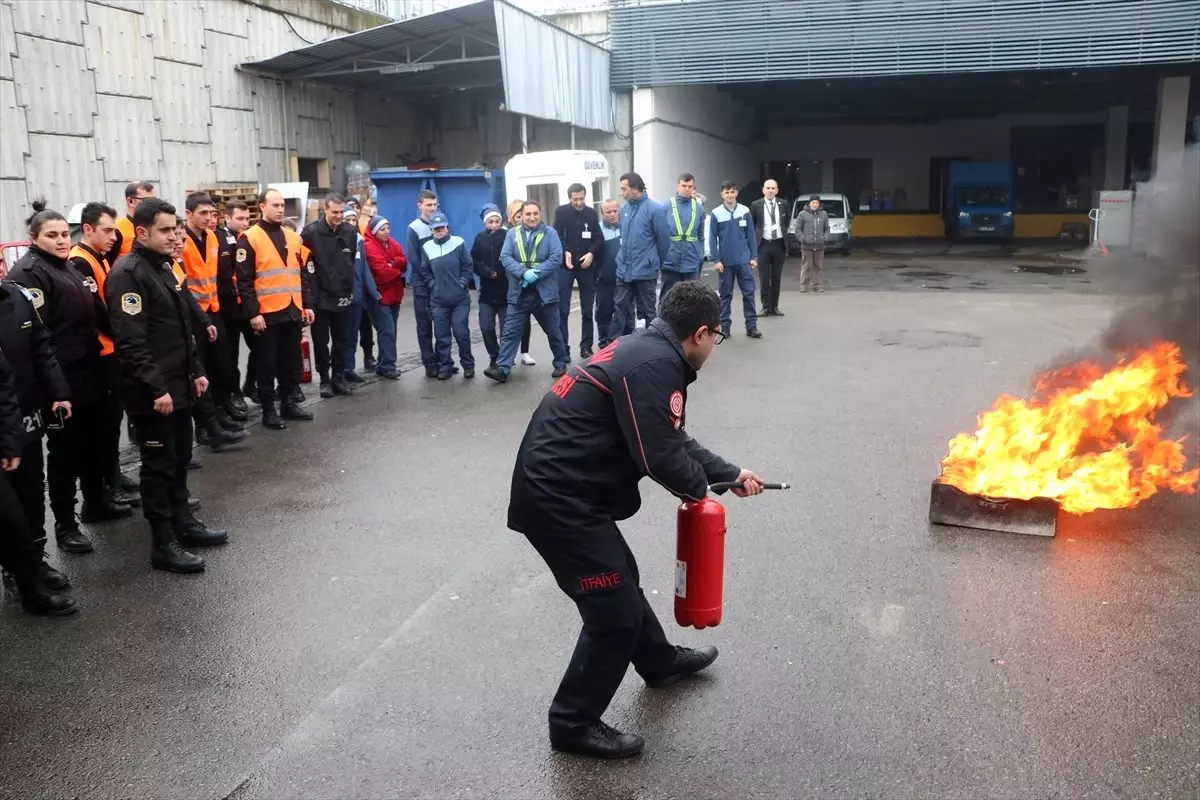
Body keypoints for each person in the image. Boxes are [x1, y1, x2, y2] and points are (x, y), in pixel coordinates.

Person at [509, 280, 765, 758]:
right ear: (703, 333)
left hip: (570, 492)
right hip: (557, 500)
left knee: (621, 578)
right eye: (718, 338)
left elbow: (671, 439)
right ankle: (572, 723)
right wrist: (700, 495)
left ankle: (659, 661)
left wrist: (727, 474)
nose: (715, 346)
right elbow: (658, 456)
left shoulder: (646, 350)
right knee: (613, 615)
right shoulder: (656, 364)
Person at [106, 198, 229, 573]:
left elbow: (179, 327)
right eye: (165, 229)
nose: (174, 235)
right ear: (141, 232)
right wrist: (157, 389)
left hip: (179, 384)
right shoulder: (128, 273)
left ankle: (184, 524)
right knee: (158, 466)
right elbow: (131, 341)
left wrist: (195, 371)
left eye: (175, 228)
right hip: (153, 392)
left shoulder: (164, 267)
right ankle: (164, 543)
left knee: (177, 460)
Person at [9, 200, 132, 555]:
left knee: (93, 444)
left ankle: (96, 501)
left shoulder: (69, 269)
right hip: (59, 381)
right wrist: (55, 388)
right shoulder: (29, 274)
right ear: (34, 238)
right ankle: (65, 525)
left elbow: (94, 317)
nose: (62, 241)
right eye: (52, 235)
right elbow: (40, 337)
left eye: (65, 234)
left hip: (88, 372)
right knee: (64, 454)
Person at [0, 254, 74, 598]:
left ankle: (35, 560)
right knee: (8, 502)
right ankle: (16, 567)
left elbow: (42, 349)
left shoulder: (17, 297)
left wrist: (58, 392)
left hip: (26, 411)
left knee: (32, 489)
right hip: (1, 421)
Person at [68, 201, 139, 508]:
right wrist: (121, 333)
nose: (114, 237)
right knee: (104, 422)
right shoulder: (80, 261)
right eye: (107, 230)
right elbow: (96, 311)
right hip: (101, 351)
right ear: (87, 229)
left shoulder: (99, 258)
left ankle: (113, 473)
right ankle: (105, 482)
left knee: (112, 419)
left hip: (111, 348)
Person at [0, 348, 77, 616]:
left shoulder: (18, 305)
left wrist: (9, 442)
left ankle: (32, 591)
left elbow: (3, 388)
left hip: (15, 429)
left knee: (15, 520)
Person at [234, 189, 315, 429]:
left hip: (291, 309)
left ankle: (289, 403)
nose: (281, 209)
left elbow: (301, 275)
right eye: (275, 205)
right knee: (267, 364)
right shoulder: (250, 238)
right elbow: (244, 280)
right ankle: (269, 410)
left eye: (283, 205)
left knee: (291, 362)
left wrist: (307, 304)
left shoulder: (292, 237)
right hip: (267, 314)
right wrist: (253, 313)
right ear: (261, 207)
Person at [484, 201, 568, 384]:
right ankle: (503, 368)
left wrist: (536, 273)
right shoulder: (512, 234)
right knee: (510, 332)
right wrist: (523, 273)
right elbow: (505, 257)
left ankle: (560, 362)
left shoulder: (550, 233)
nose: (532, 217)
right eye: (528, 214)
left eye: (535, 213)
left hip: (544, 294)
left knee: (553, 330)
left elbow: (556, 258)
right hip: (519, 292)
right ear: (521, 215)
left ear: (540, 214)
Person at [181, 193, 243, 423]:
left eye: (212, 213)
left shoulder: (213, 238)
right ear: (189, 214)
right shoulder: (182, 241)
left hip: (213, 309)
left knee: (222, 363)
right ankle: (208, 421)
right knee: (201, 368)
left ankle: (223, 405)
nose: (209, 218)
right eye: (203, 213)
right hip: (193, 313)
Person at [302, 192, 359, 399]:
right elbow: (304, 265)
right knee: (320, 341)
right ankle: (324, 379)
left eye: (341, 211)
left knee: (341, 340)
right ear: (325, 209)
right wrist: (309, 297)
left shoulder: (350, 232)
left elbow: (350, 259)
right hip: (320, 297)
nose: (338, 215)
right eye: (334, 211)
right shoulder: (311, 232)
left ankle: (338, 377)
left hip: (342, 295)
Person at [611, 172, 671, 340]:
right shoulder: (625, 210)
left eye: (624, 189)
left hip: (645, 270)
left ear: (635, 188)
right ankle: (614, 345)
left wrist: (655, 263)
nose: (621, 193)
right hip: (625, 269)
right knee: (619, 307)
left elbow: (664, 241)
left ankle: (654, 344)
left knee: (648, 312)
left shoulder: (655, 210)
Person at [417, 212, 476, 380]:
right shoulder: (427, 247)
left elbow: (468, 266)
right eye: (436, 229)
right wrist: (433, 286)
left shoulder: (458, 243)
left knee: (461, 333)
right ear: (431, 230)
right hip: (438, 301)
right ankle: (445, 366)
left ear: (447, 227)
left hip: (459, 300)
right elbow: (424, 270)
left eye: (442, 227)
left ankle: (468, 365)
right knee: (442, 336)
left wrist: (462, 283)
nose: (439, 230)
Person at [553, 183, 602, 361]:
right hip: (566, 266)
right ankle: (563, 348)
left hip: (586, 266)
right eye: (575, 199)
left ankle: (586, 346)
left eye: (582, 198)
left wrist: (591, 253)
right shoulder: (561, 212)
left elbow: (598, 238)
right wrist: (564, 250)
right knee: (562, 310)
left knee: (587, 309)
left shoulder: (591, 213)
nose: (579, 202)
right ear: (569, 198)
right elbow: (555, 235)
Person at [707, 181, 762, 339]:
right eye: (726, 192)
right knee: (725, 296)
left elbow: (751, 235)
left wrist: (753, 257)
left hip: (744, 261)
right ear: (722, 194)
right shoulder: (716, 213)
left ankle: (751, 327)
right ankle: (725, 328)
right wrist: (716, 260)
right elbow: (712, 238)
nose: (730, 195)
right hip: (725, 263)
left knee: (749, 294)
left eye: (732, 192)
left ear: (736, 193)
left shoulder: (745, 211)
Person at [215, 200, 252, 414]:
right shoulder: (221, 239)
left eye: (247, 218)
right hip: (228, 306)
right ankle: (234, 393)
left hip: (248, 303)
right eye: (240, 218)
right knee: (231, 353)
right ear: (227, 218)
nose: (244, 223)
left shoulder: (250, 237)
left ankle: (251, 385)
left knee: (260, 348)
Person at [362, 215, 406, 380]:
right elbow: (381, 273)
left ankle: (383, 363)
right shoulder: (369, 246)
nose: (387, 232)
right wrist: (397, 269)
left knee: (390, 330)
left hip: (394, 294)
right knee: (387, 330)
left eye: (388, 228)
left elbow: (404, 260)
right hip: (379, 296)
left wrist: (393, 264)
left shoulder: (392, 243)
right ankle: (388, 365)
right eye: (382, 229)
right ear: (375, 231)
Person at [340, 206, 377, 385]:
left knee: (353, 335)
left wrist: (372, 291)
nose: (352, 224)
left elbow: (364, 270)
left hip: (357, 296)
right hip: (339, 297)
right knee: (342, 336)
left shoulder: (359, 240)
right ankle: (338, 372)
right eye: (348, 220)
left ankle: (349, 368)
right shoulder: (337, 240)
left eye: (354, 220)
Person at [405, 190, 439, 376]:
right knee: (425, 326)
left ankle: (443, 361)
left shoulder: (441, 223)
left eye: (434, 205)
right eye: (429, 205)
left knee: (441, 325)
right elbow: (414, 259)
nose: (432, 208)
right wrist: (430, 280)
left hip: (439, 284)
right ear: (420, 205)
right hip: (423, 285)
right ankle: (429, 364)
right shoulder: (414, 228)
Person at [659, 173, 705, 308]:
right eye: (683, 186)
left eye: (690, 186)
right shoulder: (666, 206)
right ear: (677, 186)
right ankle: (663, 326)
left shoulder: (699, 208)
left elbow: (700, 235)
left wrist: (699, 257)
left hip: (691, 262)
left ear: (693, 188)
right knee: (668, 298)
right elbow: (660, 233)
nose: (686, 189)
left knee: (694, 299)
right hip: (670, 261)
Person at [471, 204, 508, 370]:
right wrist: (486, 272)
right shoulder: (480, 238)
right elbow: (474, 261)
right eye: (491, 222)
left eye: (497, 221)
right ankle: (494, 355)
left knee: (507, 328)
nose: (494, 225)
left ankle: (505, 358)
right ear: (485, 223)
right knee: (486, 326)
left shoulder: (508, 236)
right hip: (487, 291)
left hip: (506, 290)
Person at [594, 199, 632, 350]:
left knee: (627, 312)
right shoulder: (597, 230)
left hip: (626, 279)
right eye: (608, 212)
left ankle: (627, 342)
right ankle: (604, 344)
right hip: (605, 280)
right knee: (604, 312)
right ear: (602, 213)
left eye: (615, 211)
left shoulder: (627, 227)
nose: (612, 214)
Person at [750, 179, 790, 315]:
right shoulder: (756, 205)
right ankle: (766, 306)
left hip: (779, 244)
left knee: (776, 277)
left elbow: (786, 221)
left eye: (773, 188)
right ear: (763, 190)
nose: (770, 190)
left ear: (777, 190)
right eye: (768, 188)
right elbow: (753, 223)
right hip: (763, 244)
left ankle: (775, 306)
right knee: (764, 277)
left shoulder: (783, 204)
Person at [509, 199, 537, 368]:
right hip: (510, 282)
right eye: (518, 216)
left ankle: (524, 351)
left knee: (525, 319)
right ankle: (507, 356)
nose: (521, 219)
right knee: (510, 323)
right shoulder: (509, 233)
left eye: (523, 215)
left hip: (527, 281)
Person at [109, 180, 156, 262]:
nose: (153, 205)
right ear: (130, 201)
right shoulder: (117, 230)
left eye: (154, 201)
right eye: (147, 201)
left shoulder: (154, 226)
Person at [794, 194, 829, 292]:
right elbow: (797, 229)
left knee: (818, 266)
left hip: (820, 245)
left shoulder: (823, 214)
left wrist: (825, 238)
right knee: (806, 266)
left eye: (816, 203)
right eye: (813, 202)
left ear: (819, 204)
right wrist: (803, 239)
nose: (815, 204)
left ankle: (817, 285)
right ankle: (804, 285)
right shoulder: (802, 214)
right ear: (809, 203)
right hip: (806, 246)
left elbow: (827, 228)